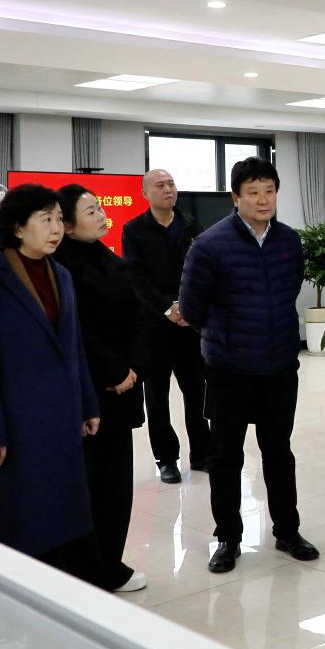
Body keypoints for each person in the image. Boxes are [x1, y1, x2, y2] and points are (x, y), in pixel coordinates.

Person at [0, 184, 105, 583]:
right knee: (18, 516)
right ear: (18, 228)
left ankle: (55, 585)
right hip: (15, 421)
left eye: (58, 218)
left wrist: (88, 404)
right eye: (46, 220)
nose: (56, 228)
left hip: (61, 416)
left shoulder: (61, 275)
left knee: (61, 511)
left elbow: (73, 347)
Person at [179, 157, 318, 573]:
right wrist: (225, 336)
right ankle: (228, 538)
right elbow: (191, 307)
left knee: (279, 452)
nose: (263, 200)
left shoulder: (289, 240)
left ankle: (287, 531)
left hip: (279, 365)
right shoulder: (209, 245)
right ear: (235, 197)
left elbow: (290, 288)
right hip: (229, 369)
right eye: (253, 192)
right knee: (226, 457)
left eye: (269, 191)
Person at [56, 184, 148, 593]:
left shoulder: (106, 256)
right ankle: (89, 568)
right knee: (90, 483)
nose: (100, 214)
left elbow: (136, 312)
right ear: (66, 224)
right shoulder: (61, 267)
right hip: (91, 390)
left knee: (116, 483)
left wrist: (134, 367)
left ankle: (109, 562)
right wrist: (113, 369)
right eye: (90, 210)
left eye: (98, 207)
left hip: (123, 384)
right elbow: (76, 330)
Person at [121, 169, 209, 484]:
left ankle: (202, 453)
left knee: (197, 392)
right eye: (160, 185)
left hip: (189, 325)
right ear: (145, 193)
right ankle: (167, 459)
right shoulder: (134, 230)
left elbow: (202, 270)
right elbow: (136, 278)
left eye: (171, 184)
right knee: (157, 397)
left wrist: (188, 306)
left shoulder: (191, 226)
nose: (168, 189)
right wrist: (167, 308)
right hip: (154, 326)